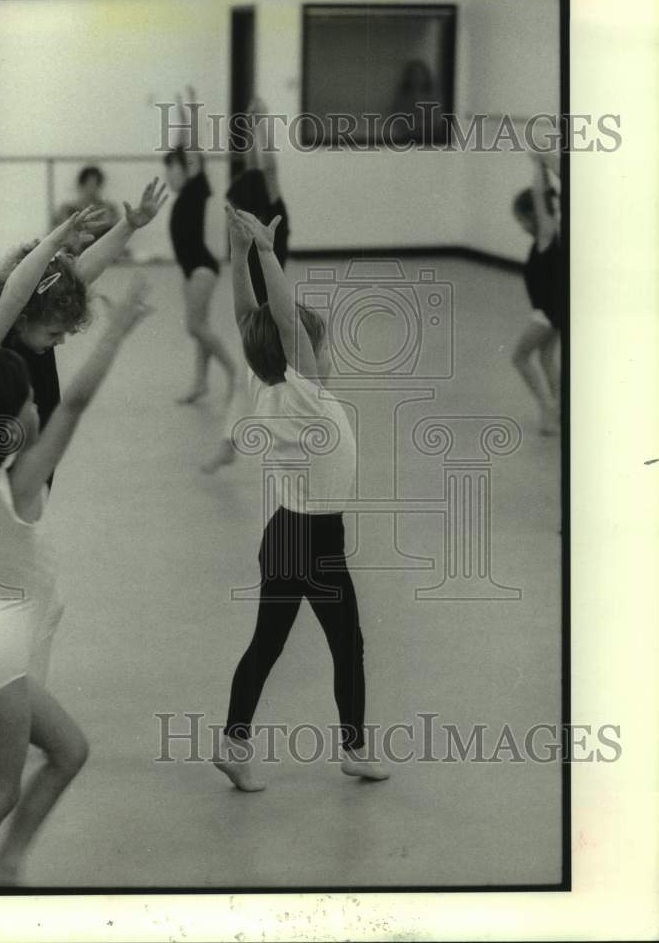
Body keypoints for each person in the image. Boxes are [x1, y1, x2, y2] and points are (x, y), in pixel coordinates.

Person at [0, 280, 154, 885]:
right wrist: (116, 332)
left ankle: (3, 861)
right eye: (30, 403)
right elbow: (73, 406)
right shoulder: (17, 487)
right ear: (8, 423)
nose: (38, 410)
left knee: (69, 750)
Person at [212, 205, 390, 791]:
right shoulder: (306, 395)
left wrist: (238, 260)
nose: (324, 355)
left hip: (282, 535)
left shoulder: (262, 388)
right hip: (317, 543)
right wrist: (263, 251)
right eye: (319, 347)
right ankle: (355, 749)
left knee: (266, 644)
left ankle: (235, 741)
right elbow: (285, 325)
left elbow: (248, 318)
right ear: (302, 358)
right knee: (349, 645)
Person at [0, 178, 168, 436]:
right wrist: (54, 242)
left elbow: (82, 271)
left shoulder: (38, 323)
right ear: (23, 318)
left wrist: (128, 225)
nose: (60, 341)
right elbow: (15, 295)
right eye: (54, 333)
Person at [201, 97, 290, 473]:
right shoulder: (249, 230)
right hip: (262, 314)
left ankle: (235, 443)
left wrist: (263, 123)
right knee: (254, 378)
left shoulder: (270, 214)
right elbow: (258, 169)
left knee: (262, 378)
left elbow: (267, 167)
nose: (231, 215)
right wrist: (253, 124)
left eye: (236, 207)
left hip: (273, 315)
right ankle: (233, 442)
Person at [164, 84, 237, 404]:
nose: (169, 177)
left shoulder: (197, 186)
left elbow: (191, 149)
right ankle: (200, 383)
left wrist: (192, 110)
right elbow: (183, 149)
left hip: (201, 267)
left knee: (195, 327)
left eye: (172, 171)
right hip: (192, 268)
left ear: (189, 170)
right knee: (200, 325)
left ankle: (234, 371)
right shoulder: (186, 191)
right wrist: (181, 115)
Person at [511, 150, 563, 435]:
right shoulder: (552, 232)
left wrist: (541, 162)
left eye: (521, 220)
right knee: (545, 358)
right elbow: (545, 199)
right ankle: (560, 409)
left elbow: (541, 200)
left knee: (519, 357)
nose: (520, 227)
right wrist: (542, 166)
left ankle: (547, 407)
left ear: (533, 217)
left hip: (547, 311)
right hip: (555, 309)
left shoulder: (546, 234)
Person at [53, 165, 119, 241]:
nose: (93, 189)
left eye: (96, 185)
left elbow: (117, 234)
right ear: (81, 185)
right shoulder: (67, 209)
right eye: (89, 185)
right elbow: (57, 235)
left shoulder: (109, 209)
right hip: (75, 250)